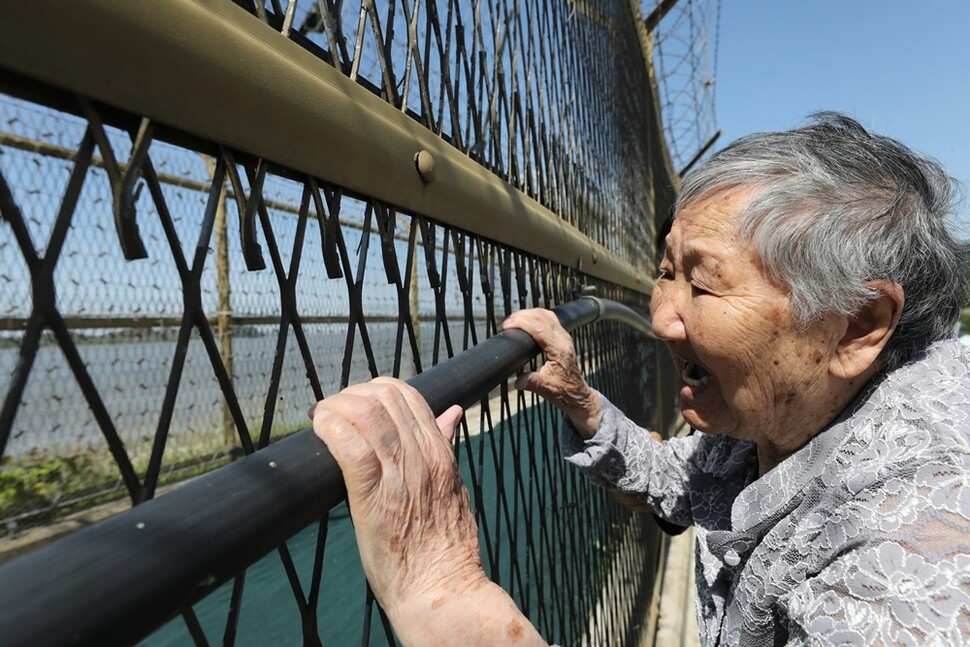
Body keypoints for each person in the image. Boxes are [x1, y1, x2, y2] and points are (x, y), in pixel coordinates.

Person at [310, 113, 970, 645]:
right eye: (664, 270)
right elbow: (681, 476)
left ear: (857, 325)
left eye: (703, 284)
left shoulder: (910, 558)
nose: (660, 318)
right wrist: (579, 398)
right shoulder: (785, 415)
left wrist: (445, 593)